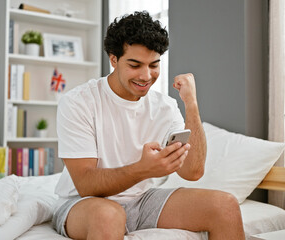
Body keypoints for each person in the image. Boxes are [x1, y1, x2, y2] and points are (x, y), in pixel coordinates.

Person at [52, 11, 244, 240]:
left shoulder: (165, 106)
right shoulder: (79, 102)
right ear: (113, 59)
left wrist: (191, 104)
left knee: (225, 206)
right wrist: (144, 169)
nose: (146, 76)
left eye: (154, 65)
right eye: (135, 65)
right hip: (83, 204)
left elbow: (193, 171)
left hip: (141, 202)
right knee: (109, 215)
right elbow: (86, 184)